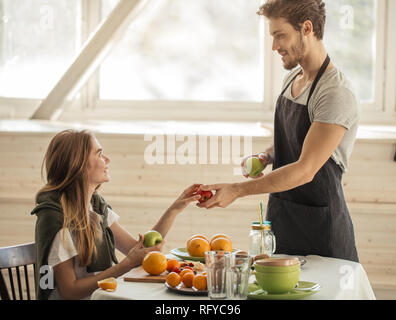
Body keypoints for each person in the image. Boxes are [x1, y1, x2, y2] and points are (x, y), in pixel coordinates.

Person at [197, 0, 360, 262]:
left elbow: (306, 169)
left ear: (307, 28)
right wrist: (266, 156)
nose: (274, 46)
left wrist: (237, 190)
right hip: (283, 217)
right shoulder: (291, 80)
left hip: (321, 229)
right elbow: (297, 139)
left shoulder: (334, 92)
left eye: (280, 35)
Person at [31, 129, 201, 300]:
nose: (107, 159)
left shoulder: (97, 207)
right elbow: (70, 292)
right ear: (79, 165)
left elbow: (140, 250)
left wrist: (175, 209)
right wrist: (127, 264)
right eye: (99, 154)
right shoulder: (56, 219)